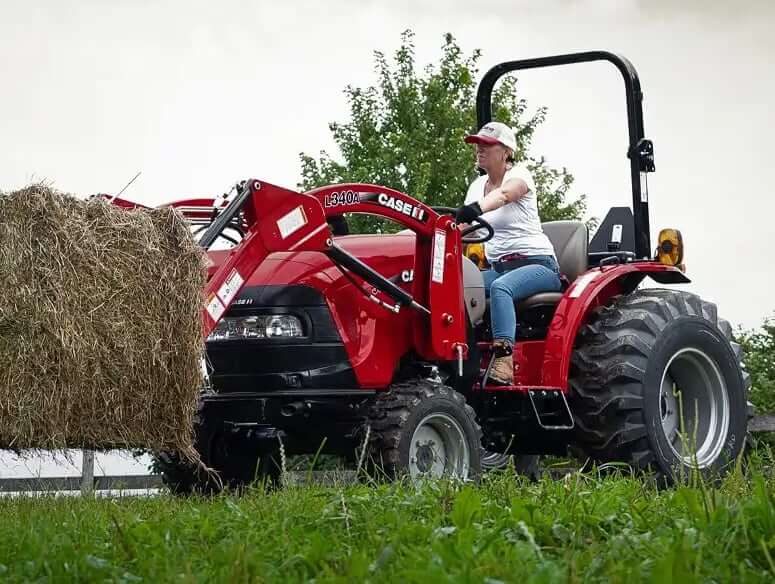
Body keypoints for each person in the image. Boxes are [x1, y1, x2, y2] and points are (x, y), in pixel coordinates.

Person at [454, 121, 561, 384]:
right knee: (457, 286)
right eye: (477, 144)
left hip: (538, 265)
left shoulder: (521, 176)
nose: (479, 148)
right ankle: (461, 356)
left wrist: (476, 208)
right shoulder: (478, 185)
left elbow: (503, 195)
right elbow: (464, 227)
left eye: (487, 145)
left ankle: (503, 362)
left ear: (506, 151)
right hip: (499, 265)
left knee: (502, 288)